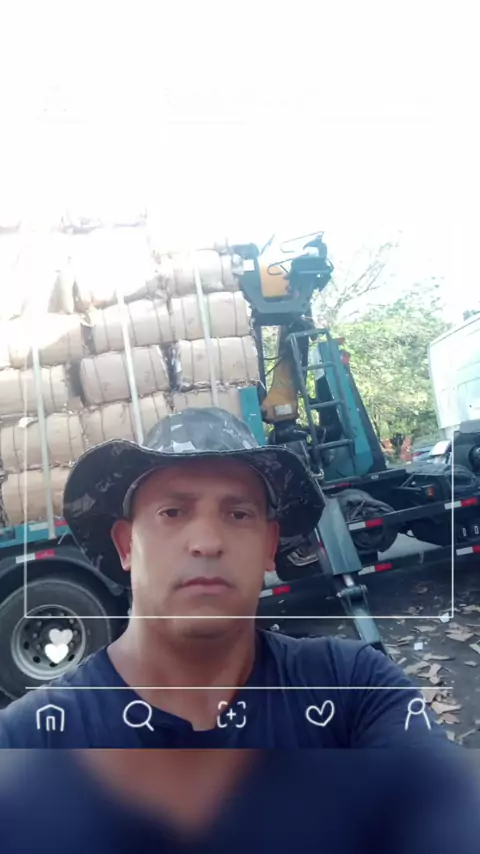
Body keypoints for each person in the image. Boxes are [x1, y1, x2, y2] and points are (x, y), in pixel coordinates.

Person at [0, 407, 479, 853]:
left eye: (238, 514)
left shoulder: (355, 690)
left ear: (270, 545)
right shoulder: (32, 739)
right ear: (127, 545)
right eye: (173, 512)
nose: (207, 542)